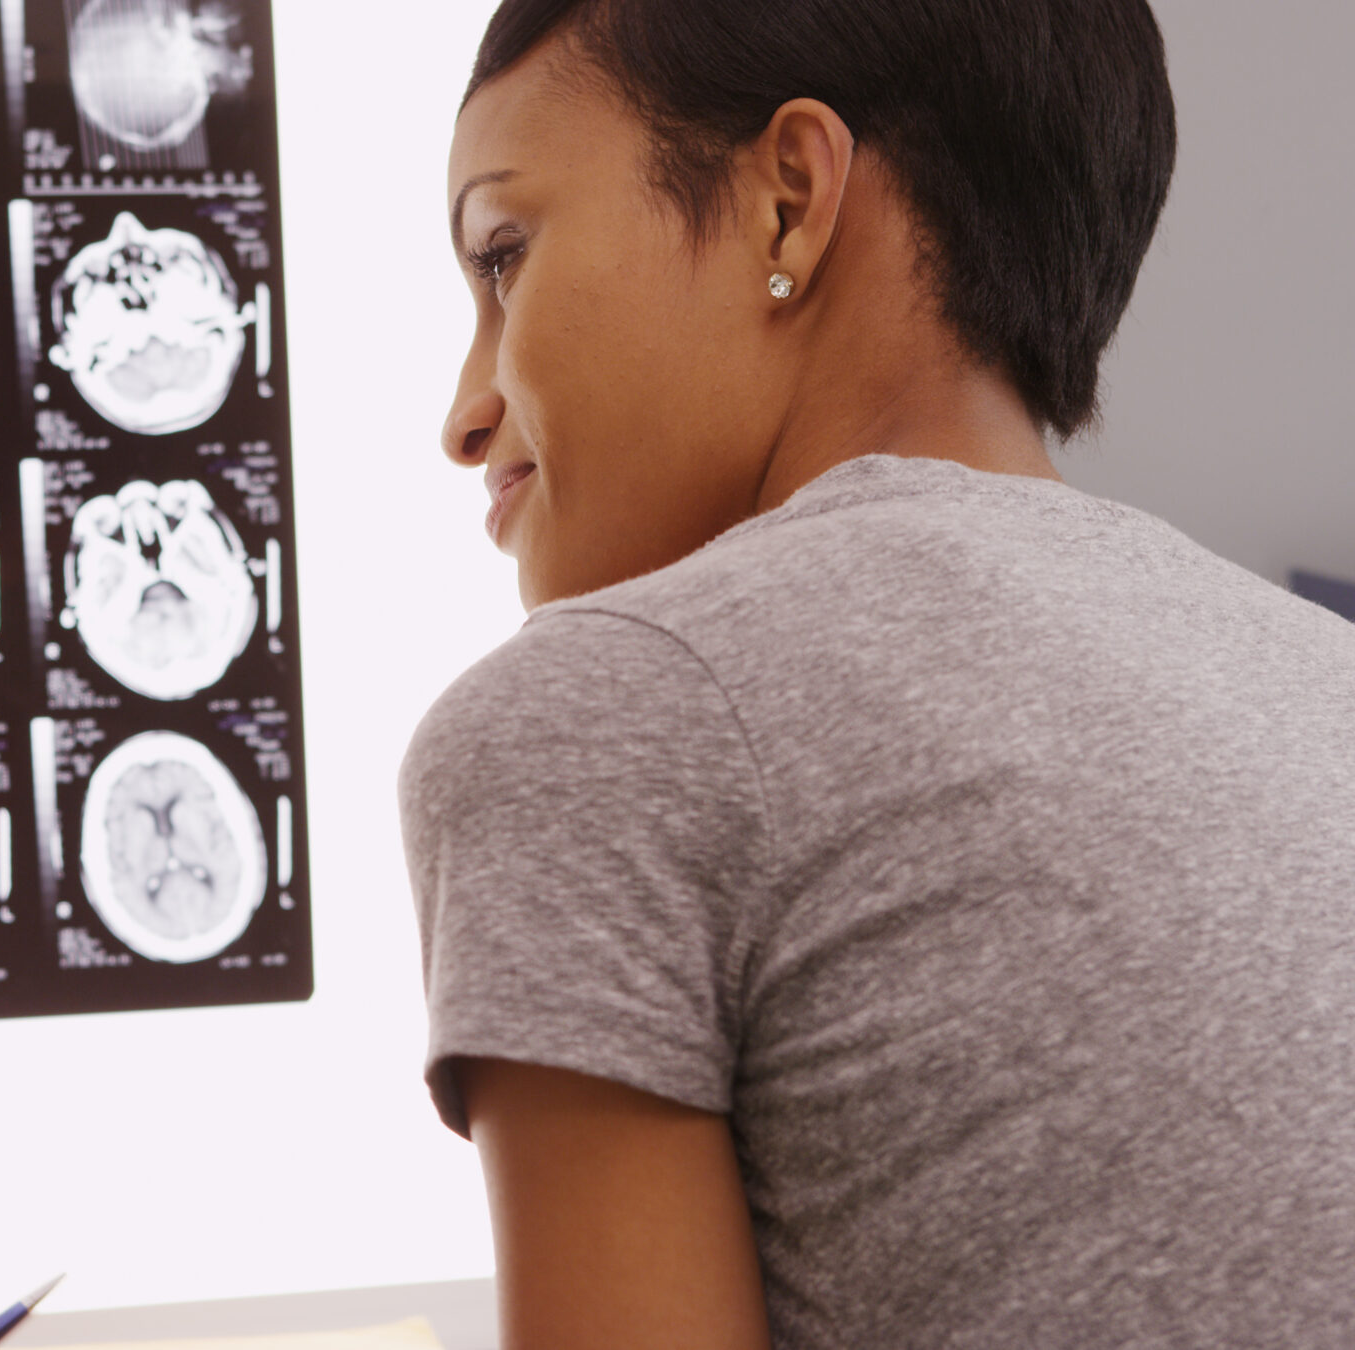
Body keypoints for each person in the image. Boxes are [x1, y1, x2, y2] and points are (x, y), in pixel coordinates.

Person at [399, 0, 1355, 1345]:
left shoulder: (601, 718)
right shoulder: (1326, 679)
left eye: (505, 255)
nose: (465, 413)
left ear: (789, 205)